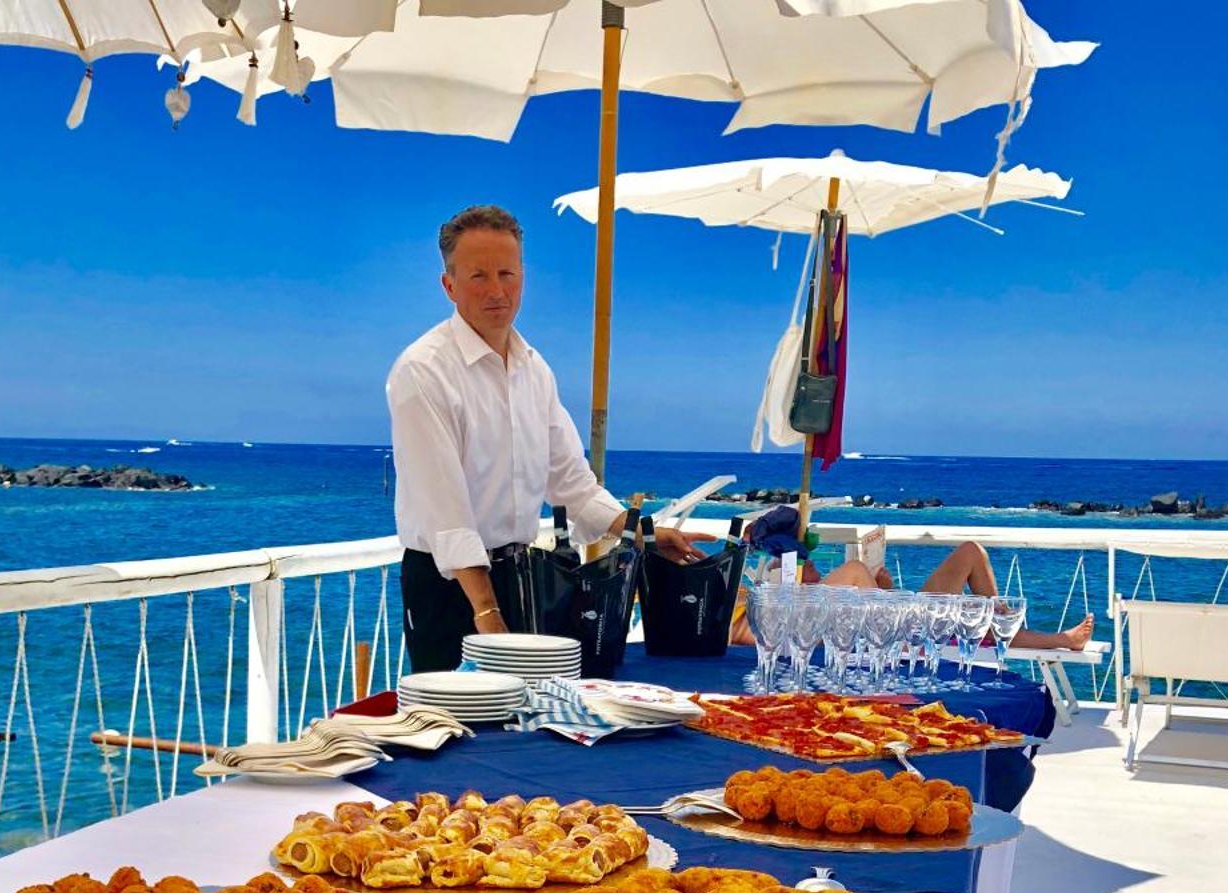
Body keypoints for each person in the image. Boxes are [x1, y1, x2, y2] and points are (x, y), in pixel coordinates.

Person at [388, 204, 699, 672]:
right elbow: (446, 513)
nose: (497, 290)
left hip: (523, 579)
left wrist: (648, 535)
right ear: (449, 286)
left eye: (506, 273)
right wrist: (487, 613)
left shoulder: (535, 369)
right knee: (461, 733)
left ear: (523, 277)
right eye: (478, 276)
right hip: (450, 588)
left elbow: (574, 484)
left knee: (527, 727)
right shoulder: (423, 371)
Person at [738, 504, 1094, 652]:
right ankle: (1054, 638)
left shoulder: (813, 587)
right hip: (905, 633)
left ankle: (1002, 624)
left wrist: (884, 589)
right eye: (806, 560)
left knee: (971, 551)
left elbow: (868, 612)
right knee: (979, 621)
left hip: (903, 612)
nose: (812, 565)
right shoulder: (781, 600)